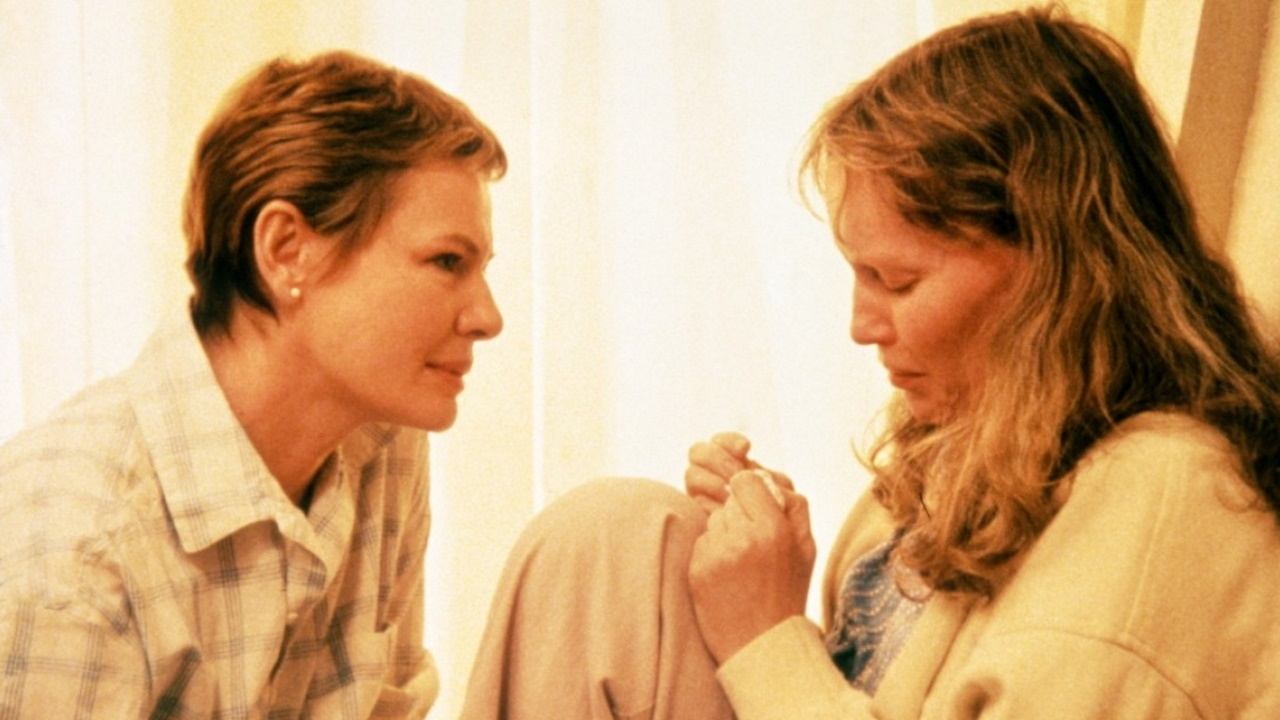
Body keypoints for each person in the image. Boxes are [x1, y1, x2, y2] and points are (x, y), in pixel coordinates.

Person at [461, 7, 1280, 718]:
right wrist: (758, 567)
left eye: (898, 280)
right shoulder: (964, 456)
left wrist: (765, 637)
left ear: (1059, 271)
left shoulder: (1167, 498)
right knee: (620, 541)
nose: (861, 326)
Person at [0, 51, 505, 718]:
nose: (488, 317)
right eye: (447, 261)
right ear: (286, 250)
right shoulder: (73, 560)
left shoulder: (384, 438)